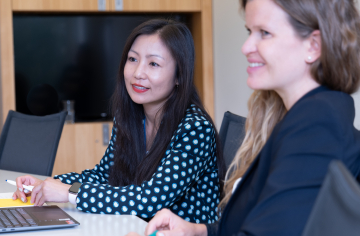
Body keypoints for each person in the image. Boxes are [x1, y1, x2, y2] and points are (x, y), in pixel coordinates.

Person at [108, 0, 360, 236]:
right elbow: (266, 227)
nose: (246, 47)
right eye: (249, 32)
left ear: (313, 46)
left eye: (264, 33)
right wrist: (199, 231)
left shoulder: (317, 126)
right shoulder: (302, 116)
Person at [13, 19, 225, 223]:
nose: (137, 73)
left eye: (153, 63)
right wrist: (51, 184)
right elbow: (105, 175)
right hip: (137, 232)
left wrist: (68, 192)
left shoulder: (195, 129)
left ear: (179, 76)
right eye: (132, 59)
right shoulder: (132, 119)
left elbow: (148, 200)